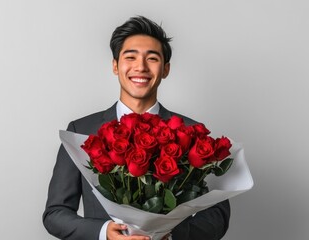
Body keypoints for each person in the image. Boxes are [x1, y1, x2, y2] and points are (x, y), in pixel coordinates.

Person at [42, 16, 230, 240]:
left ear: (166, 69)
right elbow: (55, 214)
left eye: (152, 58)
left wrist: (170, 234)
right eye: (130, 57)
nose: (140, 67)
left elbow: (217, 216)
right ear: (115, 65)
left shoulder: (191, 133)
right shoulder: (81, 130)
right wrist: (103, 233)